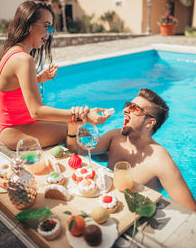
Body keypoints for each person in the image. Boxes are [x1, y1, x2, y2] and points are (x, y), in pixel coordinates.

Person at [0, 0, 109, 151]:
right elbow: (36, 111)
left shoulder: (11, 52)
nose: (49, 33)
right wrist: (85, 115)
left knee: (74, 127)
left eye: (51, 28)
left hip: (14, 126)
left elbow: (8, 88)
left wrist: (36, 79)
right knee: (81, 133)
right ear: (29, 24)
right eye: (46, 26)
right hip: (14, 131)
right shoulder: (24, 60)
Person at [68, 88, 196, 211]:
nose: (125, 110)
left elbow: (191, 212)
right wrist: (74, 126)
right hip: (106, 204)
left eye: (134, 108)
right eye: (128, 105)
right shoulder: (115, 136)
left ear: (149, 123)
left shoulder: (160, 161)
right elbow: (76, 151)